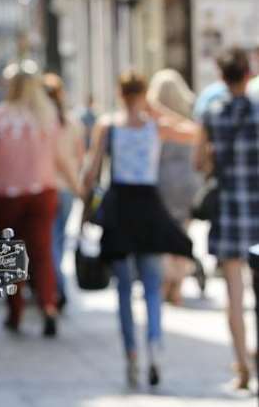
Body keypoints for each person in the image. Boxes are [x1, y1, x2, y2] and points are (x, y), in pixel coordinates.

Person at [83, 71, 195, 389]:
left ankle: (131, 353)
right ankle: (155, 349)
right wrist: (159, 111)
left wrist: (86, 207)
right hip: (147, 207)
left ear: (119, 93)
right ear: (144, 94)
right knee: (151, 285)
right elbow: (194, 131)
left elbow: (90, 172)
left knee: (122, 289)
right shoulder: (155, 126)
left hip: (119, 207)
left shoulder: (108, 126)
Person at [0, 60, 82, 338]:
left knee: (8, 253)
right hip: (42, 192)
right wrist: (77, 186)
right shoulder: (48, 117)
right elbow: (61, 159)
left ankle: (16, 311)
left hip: (4, 193)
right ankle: (48, 306)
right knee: (42, 253)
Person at [194, 47, 259, 390]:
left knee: (233, 293)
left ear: (221, 77)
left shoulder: (211, 113)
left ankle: (243, 366)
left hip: (230, 212)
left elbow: (199, 163)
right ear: (247, 74)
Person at [146, 69, 202, 305]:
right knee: (182, 234)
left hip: (162, 181)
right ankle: (177, 285)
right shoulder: (191, 117)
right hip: (189, 181)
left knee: (162, 235)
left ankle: (165, 283)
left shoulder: (157, 120)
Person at [42, 73, 85, 311]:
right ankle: (56, 287)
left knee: (50, 243)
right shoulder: (73, 123)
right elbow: (79, 159)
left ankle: (57, 288)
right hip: (67, 190)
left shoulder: (42, 125)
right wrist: (78, 187)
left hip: (47, 188)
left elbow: (65, 160)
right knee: (56, 240)